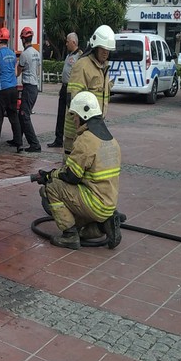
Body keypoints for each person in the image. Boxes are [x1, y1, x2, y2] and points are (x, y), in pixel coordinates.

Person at [33, 91, 122, 250]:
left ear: (83, 115)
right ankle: (103, 225)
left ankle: (69, 236)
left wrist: (49, 176)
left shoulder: (86, 140)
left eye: (75, 116)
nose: (74, 120)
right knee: (83, 228)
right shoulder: (111, 141)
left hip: (94, 203)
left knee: (52, 188)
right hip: (109, 203)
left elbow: (72, 176)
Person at [63, 25, 115, 159]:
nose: (106, 52)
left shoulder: (103, 67)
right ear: (95, 47)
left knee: (89, 167)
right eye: (103, 48)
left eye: (108, 49)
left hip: (94, 127)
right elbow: (72, 98)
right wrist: (81, 127)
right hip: (78, 129)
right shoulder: (83, 65)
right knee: (72, 167)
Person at [48, 32, 82, 148]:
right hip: (64, 87)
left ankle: (73, 138)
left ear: (73, 42)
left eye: (68, 41)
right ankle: (58, 139)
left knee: (71, 116)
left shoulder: (80, 56)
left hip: (72, 89)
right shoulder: (69, 55)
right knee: (60, 114)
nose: (66, 44)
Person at [11, 27, 42, 152]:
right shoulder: (36, 53)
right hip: (34, 87)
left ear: (23, 39)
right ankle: (17, 139)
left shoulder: (24, 54)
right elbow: (38, 71)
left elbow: (17, 73)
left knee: (24, 115)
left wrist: (14, 65)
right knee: (22, 114)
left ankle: (34, 144)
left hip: (28, 88)